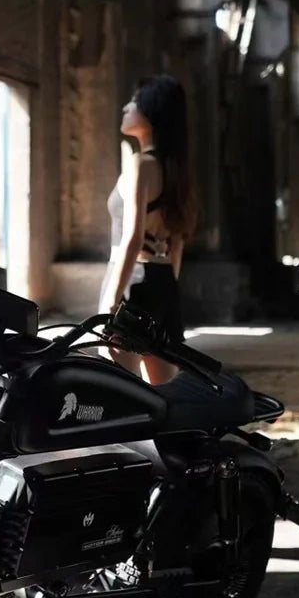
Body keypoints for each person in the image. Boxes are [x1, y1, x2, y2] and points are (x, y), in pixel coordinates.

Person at [99, 73, 198, 385]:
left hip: (133, 282)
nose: (126, 108)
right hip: (163, 281)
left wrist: (112, 300)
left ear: (151, 114)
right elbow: (178, 243)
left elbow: (132, 238)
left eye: (134, 102)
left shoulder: (141, 165)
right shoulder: (177, 171)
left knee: (122, 388)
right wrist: (166, 288)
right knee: (164, 393)